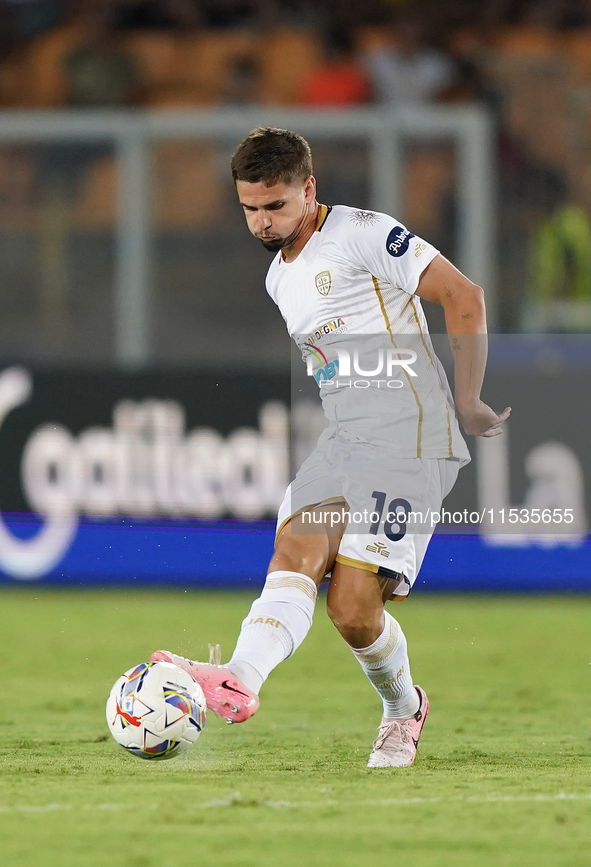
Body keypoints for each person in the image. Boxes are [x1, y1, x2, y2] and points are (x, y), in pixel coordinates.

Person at [152, 127, 510, 768]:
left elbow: (464, 295)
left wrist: (468, 398)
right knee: (293, 552)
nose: (261, 223)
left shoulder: (365, 233)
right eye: (249, 209)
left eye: (275, 207)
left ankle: (404, 708)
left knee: (350, 610)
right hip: (346, 439)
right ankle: (239, 678)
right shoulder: (275, 279)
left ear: (308, 189)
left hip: (410, 438)